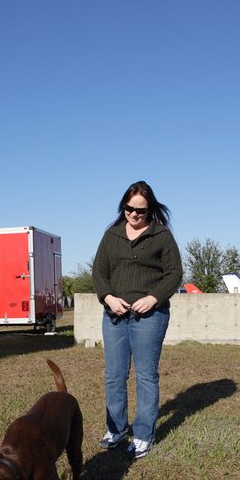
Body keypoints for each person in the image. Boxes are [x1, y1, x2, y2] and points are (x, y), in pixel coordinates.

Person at [92, 181, 183, 459]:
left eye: (140, 211)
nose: (134, 214)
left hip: (150, 317)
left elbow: (174, 274)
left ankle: (143, 435)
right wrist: (109, 297)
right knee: (115, 376)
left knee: (145, 376)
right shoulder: (112, 235)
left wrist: (153, 298)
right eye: (129, 208)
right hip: (115, 316)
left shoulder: (161, 235)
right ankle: (116, 431)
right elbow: (99, 273)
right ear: (123, 207)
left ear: (150, 210)